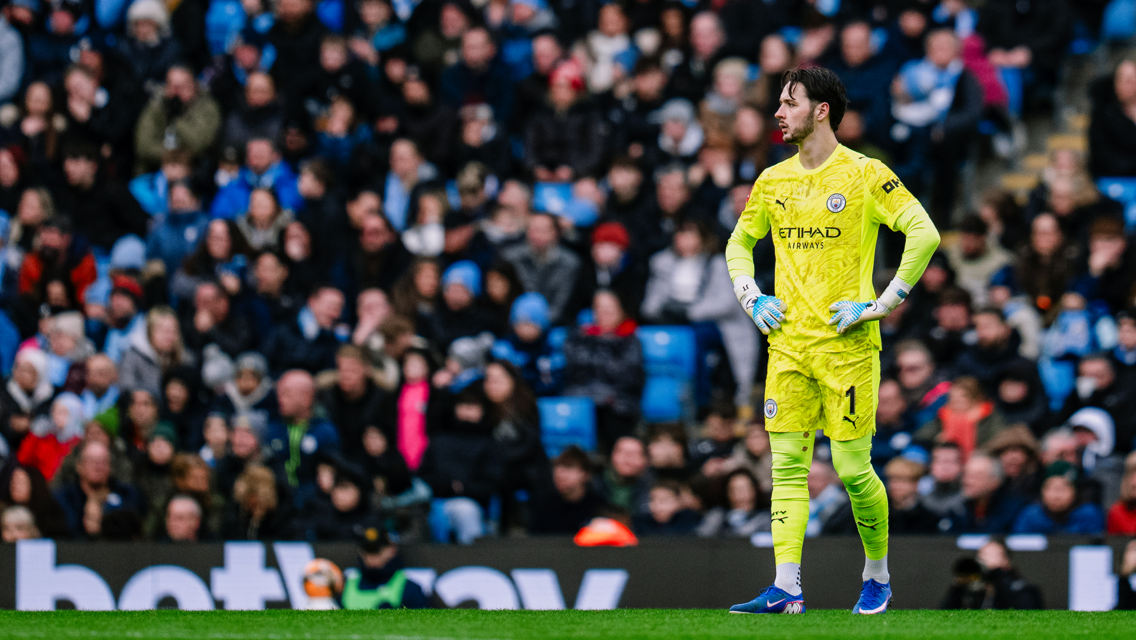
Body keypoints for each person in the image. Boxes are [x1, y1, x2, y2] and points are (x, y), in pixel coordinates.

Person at [724, 67, 940, 614]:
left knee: (849, 469)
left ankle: (878, 576)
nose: (779, 112)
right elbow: (737, 245)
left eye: (790, 102)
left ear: (821, 110)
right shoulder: (773, 180)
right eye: (779, 102)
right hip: (788, 344)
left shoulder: (866, 175)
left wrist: (881, 303)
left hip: (847, 346)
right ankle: (787, 588)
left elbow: (925, 233)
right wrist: (752, 297)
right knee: (787, 468)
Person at [341, 526, 430, 609]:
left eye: (376, 550)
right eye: (367, 550)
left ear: (392, 549)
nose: (371, 556)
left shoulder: (409, 589)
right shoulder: (346, 585)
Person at [529, 446, 608, 535]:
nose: (560, 474)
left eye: (568, 468)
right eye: (557, 467)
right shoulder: (544, 506)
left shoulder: (599, 507)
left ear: (585, 474)